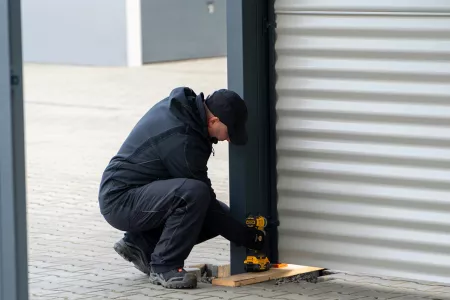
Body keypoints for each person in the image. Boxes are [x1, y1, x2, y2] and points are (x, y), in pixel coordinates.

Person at [98, 87, 266, 289]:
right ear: (213, 121)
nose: (228, 139)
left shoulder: (186, 113)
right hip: (120, 200)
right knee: (195, 196)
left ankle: (141, 245)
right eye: (229, 132)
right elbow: (206, 204)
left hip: (138, 193)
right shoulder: (184, 137)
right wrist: (249, 237)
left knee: (205, 207)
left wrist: (240, 231)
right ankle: (164, 266)